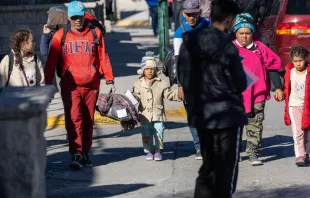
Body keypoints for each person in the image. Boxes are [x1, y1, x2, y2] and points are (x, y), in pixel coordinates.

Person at [177, 0, 247, 197]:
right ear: (229, 18)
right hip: (227, 116)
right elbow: (240, 82)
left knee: (208, 167)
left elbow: (183, 76)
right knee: (226, 169)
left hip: (201, 114)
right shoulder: (228, 45)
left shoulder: (188, 41)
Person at [44, 1, 115, 170]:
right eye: (74, 17)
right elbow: (51, 61)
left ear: (84, 15)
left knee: (88, 119)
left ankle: (85, 152)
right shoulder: (61, 36)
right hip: (70, 86)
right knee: (74, 118)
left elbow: (103, 57)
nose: (77, 20)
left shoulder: (95, 33)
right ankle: (76, 152)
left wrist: (110, 79)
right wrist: (47, 84)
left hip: (92, 85)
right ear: (69, 17)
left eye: (80, 17)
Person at [232, 13, 283, 166]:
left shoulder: (260, 48)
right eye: (241, 33)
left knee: (255, 125)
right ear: (236, 33)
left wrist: (279, 87)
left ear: (252, 33)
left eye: (248, 33)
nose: (244, 36)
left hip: (256, 96)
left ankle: (253, 152)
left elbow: (272, 67)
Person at [174, 0, 211, 160]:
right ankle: (199, 147)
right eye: (188, 14)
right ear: (183, 13)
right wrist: (180, 85)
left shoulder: (208, 27)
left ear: (199, 12)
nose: (191, 17)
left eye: (194, 14)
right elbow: (178, 61)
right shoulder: (179, 32)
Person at [133, 52, 180, 161]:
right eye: (147, 68)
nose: (149, 71)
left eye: (152, 69)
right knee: (146, 132)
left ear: (155, 70)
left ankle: (158, 151)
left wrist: (179, 94)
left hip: (157, 113)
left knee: (159, 131)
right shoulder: (137, 84)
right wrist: (130, 99)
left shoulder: (161, 83)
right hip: (144, 114)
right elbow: (135, 97)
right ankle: (149, 151)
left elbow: (169, 94)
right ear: (143, 70)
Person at [276, 46, 310, 166]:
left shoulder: (309, 72)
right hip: (294, 105)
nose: (298, 64)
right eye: (295, 61)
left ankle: (306, 153)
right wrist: (279, 93)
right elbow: (285, 89)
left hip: (307, 107)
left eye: (300, 60)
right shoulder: (289, 72)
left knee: (306, 131)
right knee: (298, 131)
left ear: (305, 59)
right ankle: (299, 155)